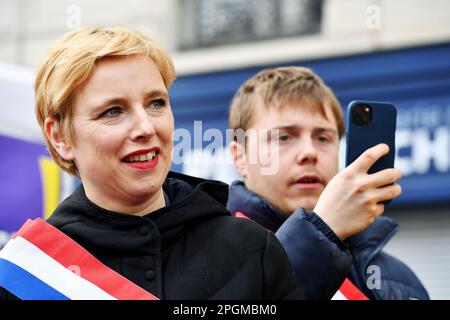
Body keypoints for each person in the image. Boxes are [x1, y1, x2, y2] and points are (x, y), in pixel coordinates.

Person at [0, 27, 303, 300]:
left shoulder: (251, 249)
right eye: (113, 111)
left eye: (156, 103)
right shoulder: (24, 275)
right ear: (60, 138)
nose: (146, 127)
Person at [227, 66, 429, 300]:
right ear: (239, 157)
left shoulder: (401, 280)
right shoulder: (201, 252)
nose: (309, 152)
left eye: (323, 138)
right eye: (284, 137)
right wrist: (323, 229)